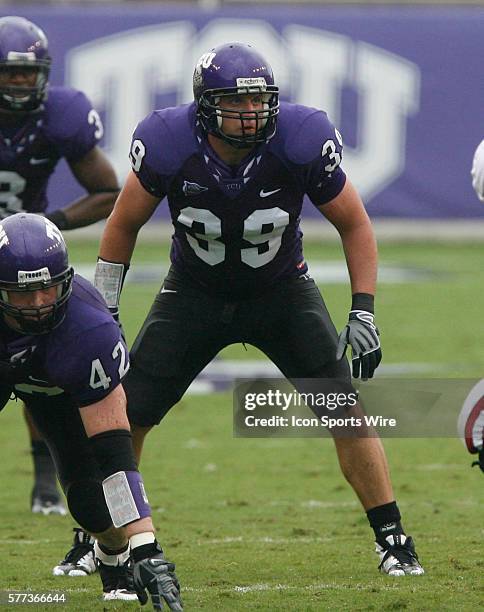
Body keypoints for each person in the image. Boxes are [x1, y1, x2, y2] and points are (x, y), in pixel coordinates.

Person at [94, 41, 424, 577]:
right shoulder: (167, 141)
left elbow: (355, 223)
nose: (251, 113)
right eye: (236, 102)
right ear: (204, 105)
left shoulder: (300, 137)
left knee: (345, 410)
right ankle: (100, 538)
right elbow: (122, 224)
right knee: (125, 414)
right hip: (193, 292)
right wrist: (106, 307)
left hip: (280, 292)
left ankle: (393, 537)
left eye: (259, 101)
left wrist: (362, 308)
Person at [0, 213, 183, 610]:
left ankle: (112, 555)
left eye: (47, 290)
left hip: (62, 394)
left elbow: (117, 458)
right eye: (21, 294)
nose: (37, 306)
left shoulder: (87, 330)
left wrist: (145, 546)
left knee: (89, 500)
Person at [0, 15, 119, 519]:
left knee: (37, 355)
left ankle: (46, 476)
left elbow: (108, 192)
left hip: (26, 260)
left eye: (28, 73)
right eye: (9, 72)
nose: (19, 82)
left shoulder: (60, 115)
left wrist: (49, 223)